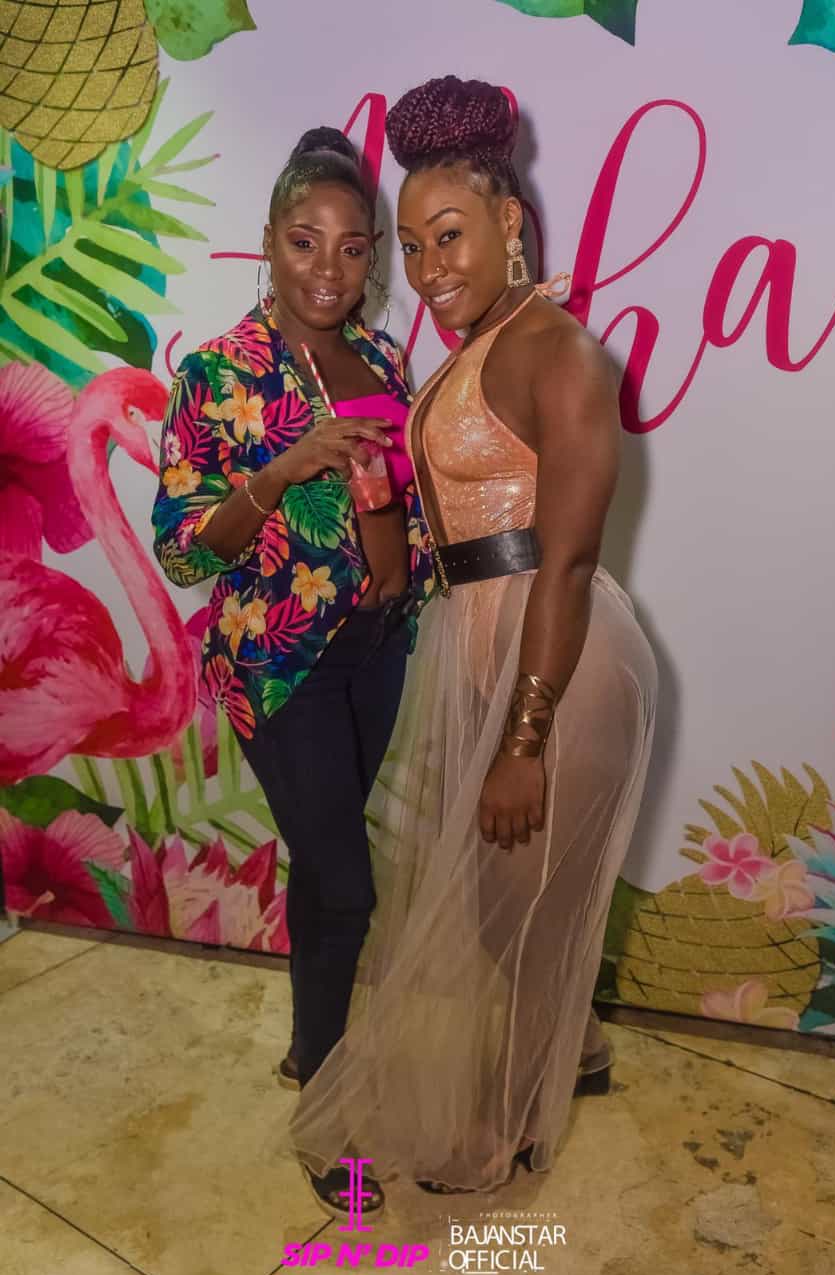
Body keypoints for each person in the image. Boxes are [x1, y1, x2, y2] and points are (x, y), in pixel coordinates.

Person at [288, 78, 657, 1195]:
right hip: (481, 645)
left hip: (558, 660)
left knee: (520, 912)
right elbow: (455, 531)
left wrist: (524, 740)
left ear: (509, 221)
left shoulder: (561, 352)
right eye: (410, 246)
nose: (429, 267)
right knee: (507, 910)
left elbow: (569, 560)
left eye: (449, 236)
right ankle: (577, 1047)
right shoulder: (477, 344)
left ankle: (511, 1123)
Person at [151, 127, 434, 1217]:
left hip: (377, 650)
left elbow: (405, 505)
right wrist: (278, 471)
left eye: (354, 247)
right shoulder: (218, 373)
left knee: (326, 870)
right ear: (268, 240)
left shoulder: (388, 361)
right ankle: (325, 1107)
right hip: (280, 666)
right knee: (350, 887)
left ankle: (305, 1042)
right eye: (305, 240)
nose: (329, 267)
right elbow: (185, 552)